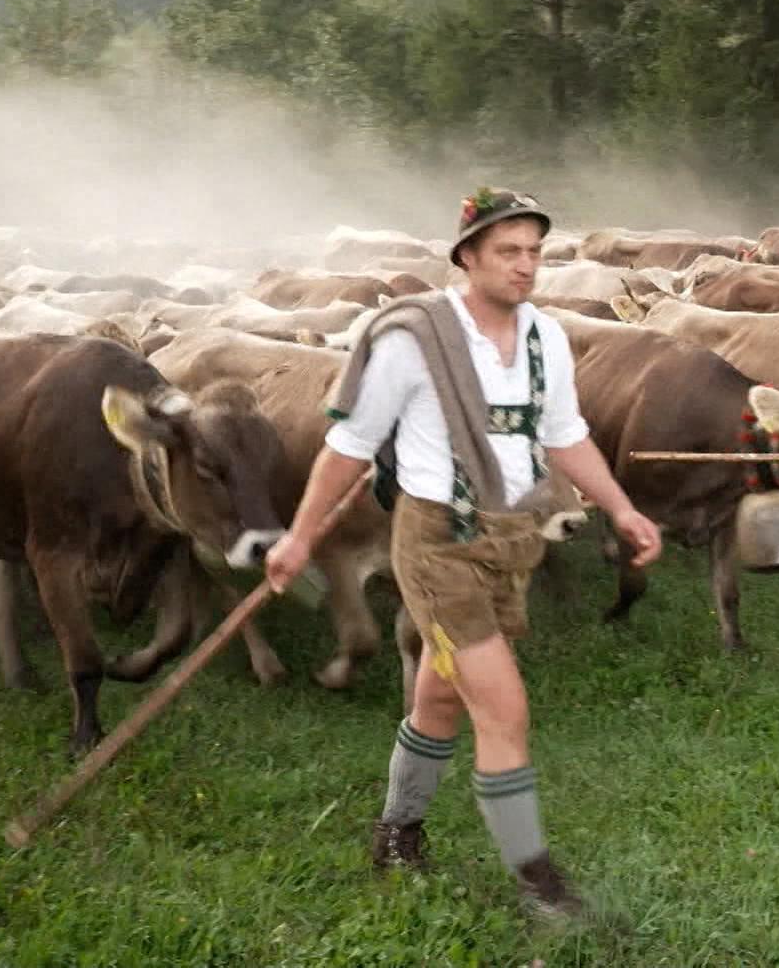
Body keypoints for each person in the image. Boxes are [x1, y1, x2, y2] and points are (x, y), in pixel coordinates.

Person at [263, 187, 663, 918]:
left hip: (511, 542)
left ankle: (396, 832)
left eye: (535, 251)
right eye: (508, 251)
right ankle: (538, 884)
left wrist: (621, 507)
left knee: (440, 695)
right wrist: (300, 534)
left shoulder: (544, 336)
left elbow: (565, 435)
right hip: (435, 543)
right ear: (467, 256)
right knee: (504, 709)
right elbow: (348, 446)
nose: (526, 266)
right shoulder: (413, 339)